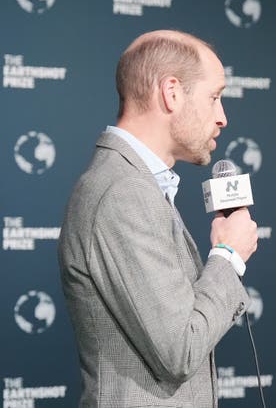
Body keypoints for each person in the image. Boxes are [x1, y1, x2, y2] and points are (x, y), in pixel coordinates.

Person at [58, 29, 258, 407]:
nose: (223, 118)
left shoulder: (134, 184)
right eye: (214, 98)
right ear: (171, 93)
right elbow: (180, 349)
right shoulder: (123, 192)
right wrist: (229, 255)